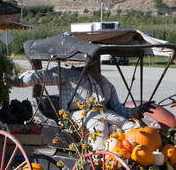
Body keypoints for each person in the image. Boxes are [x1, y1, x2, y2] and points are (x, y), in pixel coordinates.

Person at [17, 56, 153, 138]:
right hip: (77, 115)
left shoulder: (105, 83)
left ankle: (132, 157)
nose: (92, 64)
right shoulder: (67, 75)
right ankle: (98, 160)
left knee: (129, 126)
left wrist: (136, 111)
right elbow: (42, 76)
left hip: (103, 113)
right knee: (100, 126)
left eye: (94, 61)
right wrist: (20, 81)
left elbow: (118, 108)